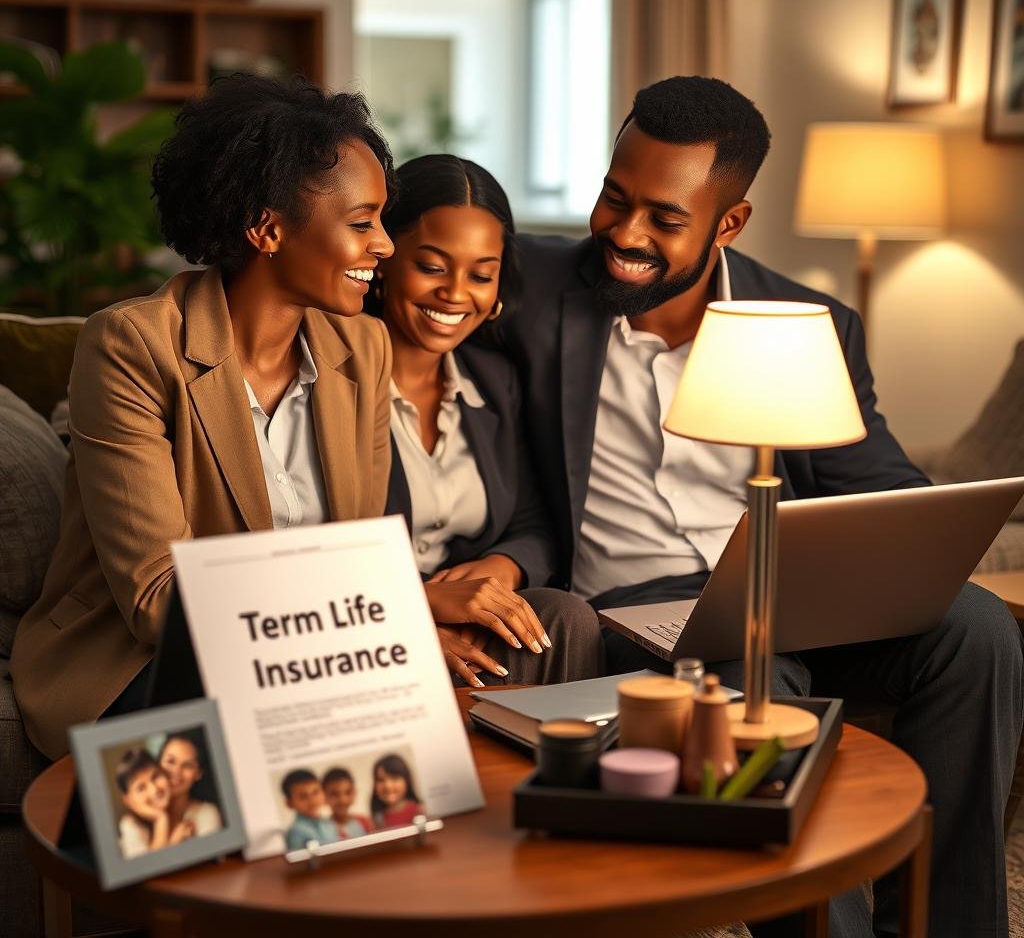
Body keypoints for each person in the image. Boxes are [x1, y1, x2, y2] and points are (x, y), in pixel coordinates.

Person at [489, 75, 1022, 938]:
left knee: (976, 627)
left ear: (729, 222)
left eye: (665, 218)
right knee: (752, 684)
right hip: (632, 612)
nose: (624, 233)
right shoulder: (529, 284)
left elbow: (878, 488)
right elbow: (387, 274)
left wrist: (909, 538)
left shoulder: (807, 320)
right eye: (612, 198)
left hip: (788, 594)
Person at [11, 74, 397, 760]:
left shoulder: (362, 348)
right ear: (268, 229)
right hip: (136, 662)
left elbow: (359, 561)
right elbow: (160, 598)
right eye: (363, 223)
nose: (385, 246)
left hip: (304, 659)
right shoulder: (132, 345)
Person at [370, 154, 604, 687]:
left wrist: (502, 570)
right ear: (383, 257)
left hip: (464, 622)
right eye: (431, 266)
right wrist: (419, 607)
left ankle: (560, 769)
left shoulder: (494, 381)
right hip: (366, 624)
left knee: (565, 616)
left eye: (481, 275)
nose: (455, 294)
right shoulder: (331, 380)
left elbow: (534, 525)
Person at [115, 748, 182, 859]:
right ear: (128, 801)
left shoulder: (182, 810)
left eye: (155, 777)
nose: (154, 790)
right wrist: (160, 819)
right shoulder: (130, 825)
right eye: (141, 788)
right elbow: (150, 869)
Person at [157, 730, 223, 841]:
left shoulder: (207, 814)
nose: (176, 772)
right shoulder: (137, 820)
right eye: (171, 761)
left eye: (187, 765)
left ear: (198, 774)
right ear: (158, 763)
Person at [280, 769, 339, 852]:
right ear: (289, 803)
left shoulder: (329, 823)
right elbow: (298, 862)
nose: (312, 800)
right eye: (303, 796)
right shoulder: (296, 832)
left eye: (316, 792)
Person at [370, 753, 424, 828]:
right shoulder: (375, 821)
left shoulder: (420, 810)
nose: (387, 786)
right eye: (380, 780)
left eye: (394, 778)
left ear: (406, 780)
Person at [321, 766, 374, 840]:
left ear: (354, 792)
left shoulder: (364, 822)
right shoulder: (322, 829)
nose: (342, 800)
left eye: (348, 792)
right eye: (334, 794)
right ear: (324, 796)